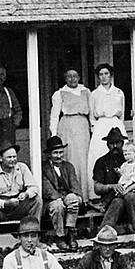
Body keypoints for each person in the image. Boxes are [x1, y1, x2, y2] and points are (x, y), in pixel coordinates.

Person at [93, 127, 135, 234]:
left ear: (122, 143)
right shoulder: (101, 161)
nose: (114, 146)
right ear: (107, 144)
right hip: (112, 198)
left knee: (130, 196)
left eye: (117, 143)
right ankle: (103, 236)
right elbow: (97, 188)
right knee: (118, 202)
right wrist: (111, 186)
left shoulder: (132, 157)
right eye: (111, 143)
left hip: (133, 197)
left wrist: (130, 188)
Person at [49, 69, 93, 202]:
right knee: (71, 158)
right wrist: (54, 134)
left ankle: (85, 196)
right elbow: (54, 115)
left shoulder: (86, 91)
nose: (72, 79)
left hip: (83, 126)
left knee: (84, 159)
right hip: (67, 126)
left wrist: (93, 128)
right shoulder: (59, 93)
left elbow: (91, 113)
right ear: (65, 78)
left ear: (79, 77)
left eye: (75, 76)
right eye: (69, 77)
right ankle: (72, 194)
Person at [0, 144, 42, 233]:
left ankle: (32, 234)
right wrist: (6, 203)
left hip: (18, 206)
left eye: (14, 157)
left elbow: (34, 187)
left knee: (37, 200)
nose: (13, 160)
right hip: (1, 209)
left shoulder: (22, 168)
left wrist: (26, 194)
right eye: (9, 157)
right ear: (0, 158)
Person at [88, 63, 126, 193]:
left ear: (111, 75)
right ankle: (100, 192)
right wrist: (95, 130)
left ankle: (122, 187)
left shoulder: (119, 92)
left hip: (116, 124)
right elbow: (92, 116)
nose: (104, 77)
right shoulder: (94, 94)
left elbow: (122, 113)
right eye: (101, 74)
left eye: (106, 74)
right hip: (101, 126)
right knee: (100, 154)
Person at [42, 136, 82, 251]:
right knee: (58, 206)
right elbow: (46, 188)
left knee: (73, 199)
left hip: (66, 196)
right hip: (51, 199)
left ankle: (70, 233)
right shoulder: (43, 167)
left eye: (61, 152)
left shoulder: (68, 166)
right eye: (55, 153)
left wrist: (78, 196)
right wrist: (57, 198)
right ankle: (60, 236)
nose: (59, 156)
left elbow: (74, 183)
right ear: (49, 154)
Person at [0, 62, 23, 164]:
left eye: (2, 74)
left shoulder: (9, 92)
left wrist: (14, 125)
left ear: (5, 77)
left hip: (8, 127)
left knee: (9, 155)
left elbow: (18, 110)